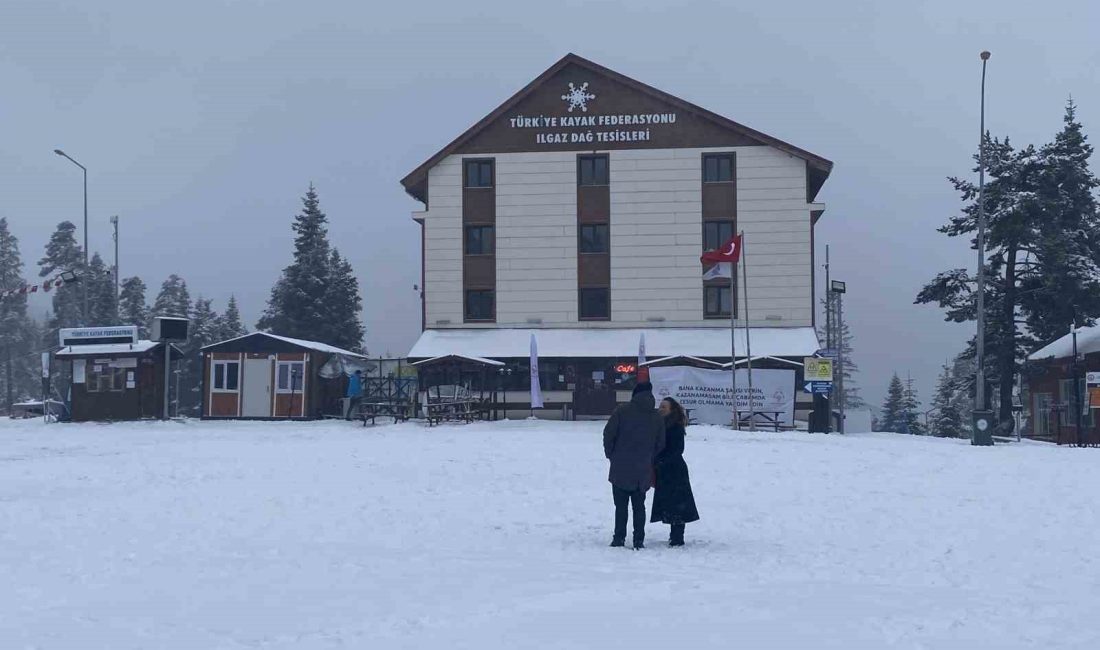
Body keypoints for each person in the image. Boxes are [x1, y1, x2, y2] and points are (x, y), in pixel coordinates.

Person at [603, 381, 665, 549]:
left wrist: (612, 455)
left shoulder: (622, 411)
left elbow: (609, 434)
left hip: (620, 467)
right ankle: (639, 539)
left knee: (620, 506)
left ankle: (619, 537)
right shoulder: (656, 416)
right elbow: (661, 443)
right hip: (643, 468)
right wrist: (649, 457)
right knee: (639, 506)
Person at [651, 397, 700, 547]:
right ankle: (675, 534)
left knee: (678, 503)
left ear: (672, 410)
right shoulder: (660, 424)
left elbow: (677, 450)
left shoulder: (675, 426)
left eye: (664, 407)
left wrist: (661, 460)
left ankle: (677, 536)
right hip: (663, 469)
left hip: (674, 470)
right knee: (670, 502)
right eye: (660, 406)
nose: (660, 409)